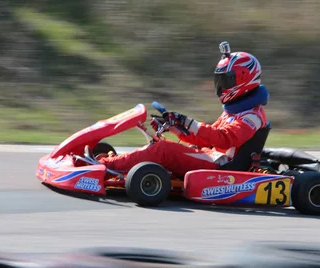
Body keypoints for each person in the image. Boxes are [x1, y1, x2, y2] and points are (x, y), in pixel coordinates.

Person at [95, 41, 269, 178]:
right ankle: (113, 162)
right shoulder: (235, 110)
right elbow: (206, 139)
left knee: (163, 150)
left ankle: (106, 166)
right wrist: (176, 128)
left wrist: (188, 122)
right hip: (210, 155)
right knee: (159, 144)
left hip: (221, 165)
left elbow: (223, 139)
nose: (221, 86)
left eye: (226, 81)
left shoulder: (251, 116)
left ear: (243, 81)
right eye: (220, 80)